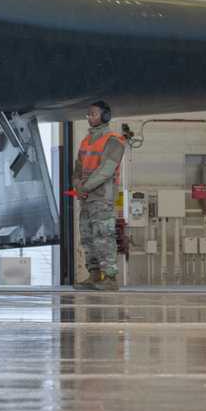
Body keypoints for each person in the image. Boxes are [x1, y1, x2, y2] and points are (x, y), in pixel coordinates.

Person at [71, 100, 125, 289]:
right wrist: (77, 184)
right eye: (89, 114)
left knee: (103, 236)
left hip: (102, 198)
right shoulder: (86, 141)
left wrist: (83, 188)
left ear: (105, 116)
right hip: (86, 198)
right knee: (87, 237)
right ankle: (94, 275)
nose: (89, 117)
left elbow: (106, 170)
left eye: (93, 114)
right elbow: (77, 168)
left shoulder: (114, 141)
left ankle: (110, 279)